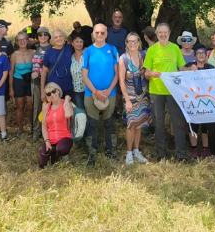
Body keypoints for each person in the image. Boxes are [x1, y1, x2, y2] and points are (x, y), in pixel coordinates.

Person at [143, 23, 190, 162]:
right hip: (156, 91)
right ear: (156, 34)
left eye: (165, 32)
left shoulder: (175, 48)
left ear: (169, 33)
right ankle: (161, 153)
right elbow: (146, 73)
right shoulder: (152, 50)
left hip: (174, 91)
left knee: (178, 122)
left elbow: (182, 69)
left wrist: (192, 72)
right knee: (158, 123)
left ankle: (181, 154)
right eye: (160, 33)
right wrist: (153, 73)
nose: (163, 35)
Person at [81, 24, 119, 165]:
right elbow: (84, 76)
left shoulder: (113, 49)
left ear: (106, 34)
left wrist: (108, 91)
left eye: (102, 32)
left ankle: (111, 151)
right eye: (97, 32)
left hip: (110, 93)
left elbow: (117, 73)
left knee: (109, 123)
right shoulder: (88, 51)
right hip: (91, 94)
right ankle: (92, 153)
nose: (99, 35)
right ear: (93, 34)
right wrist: (96, 92)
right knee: (92, 124)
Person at [118, 32, 151, 165]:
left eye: (134, 41)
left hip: (143, 95)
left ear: (139, 42)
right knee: (131, 125)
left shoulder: (143, 55)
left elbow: (147, 74)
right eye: (129, 41)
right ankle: (129, 153)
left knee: (140, 124)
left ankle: (137, 150)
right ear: (126, 43)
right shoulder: (123, 59)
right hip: (130, 96)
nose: (132, 44)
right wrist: (127, 100)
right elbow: (121, 81)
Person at [39, 82, 74, 168]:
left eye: (53, 91)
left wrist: (66, 100)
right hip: (51, 139)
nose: (52, 95)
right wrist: (47, 141)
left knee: (61, 149)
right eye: (48, 94)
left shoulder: (66, 103)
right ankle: (53, 153)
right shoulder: (46, 107)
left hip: (64, 137)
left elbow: (68, 114)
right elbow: (44, 126)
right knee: (42, 163)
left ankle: (60, 154)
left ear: (58, 91)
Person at [189, 46, 213, 156]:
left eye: (203, 53)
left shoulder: (211, 68)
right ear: (195, 56)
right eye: (198, 53)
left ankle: (205, 148)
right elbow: (179, 72)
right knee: (193, 124)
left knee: (205, 126)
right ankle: (193, 148)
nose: (201, 55)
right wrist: (189, 69)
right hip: (192, 100)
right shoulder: (189, 67)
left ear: (206, 55)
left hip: (207, 101)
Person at [10, 32, 34, 135]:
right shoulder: (14, 55)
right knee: (20, 106)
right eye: (19, 40)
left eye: (24, 39)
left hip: (30, 81)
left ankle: (32, 127)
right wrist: (10, 89)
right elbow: (11, 72)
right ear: (16, 42)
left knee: (30, 105)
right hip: (18, 81)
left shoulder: (33, 52)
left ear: (28, 40)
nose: (22, 41)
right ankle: (20, 129)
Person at [41, 29, 74, 99]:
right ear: (53, 40)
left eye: (60, 36)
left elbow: (80, 50)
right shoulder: (49, 52)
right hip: (54, 88)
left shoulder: (70, 48)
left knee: (69, 108)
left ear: (64, 38)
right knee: (56, 109)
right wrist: (42, 90)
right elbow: (44, 71)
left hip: (69, 87)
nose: (59, 38)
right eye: (56, 37)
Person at [31, 27, 51, 139]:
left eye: (45, 34)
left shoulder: (52, 48)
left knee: (48, 105)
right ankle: (36, 131)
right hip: (35, 82)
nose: (42, 37)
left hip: (47, 81)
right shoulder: (35, 48)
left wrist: (38, 73)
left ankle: (48, 131)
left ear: (48, 36)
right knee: (37, 106)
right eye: (40, 35)